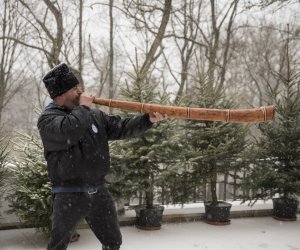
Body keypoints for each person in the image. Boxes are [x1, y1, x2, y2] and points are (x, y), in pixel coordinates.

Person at [37, 63, 166, 250]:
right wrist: (83, 108)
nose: (81, 91)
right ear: (59, 96)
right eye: (75, 89)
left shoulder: (94, 115)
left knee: (113, 241)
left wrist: (147, 119)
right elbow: (70, 130)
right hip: (68, 195)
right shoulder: (48, 120)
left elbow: (121, 127)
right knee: (58, 245)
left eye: (78, 86)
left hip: (98, 191)